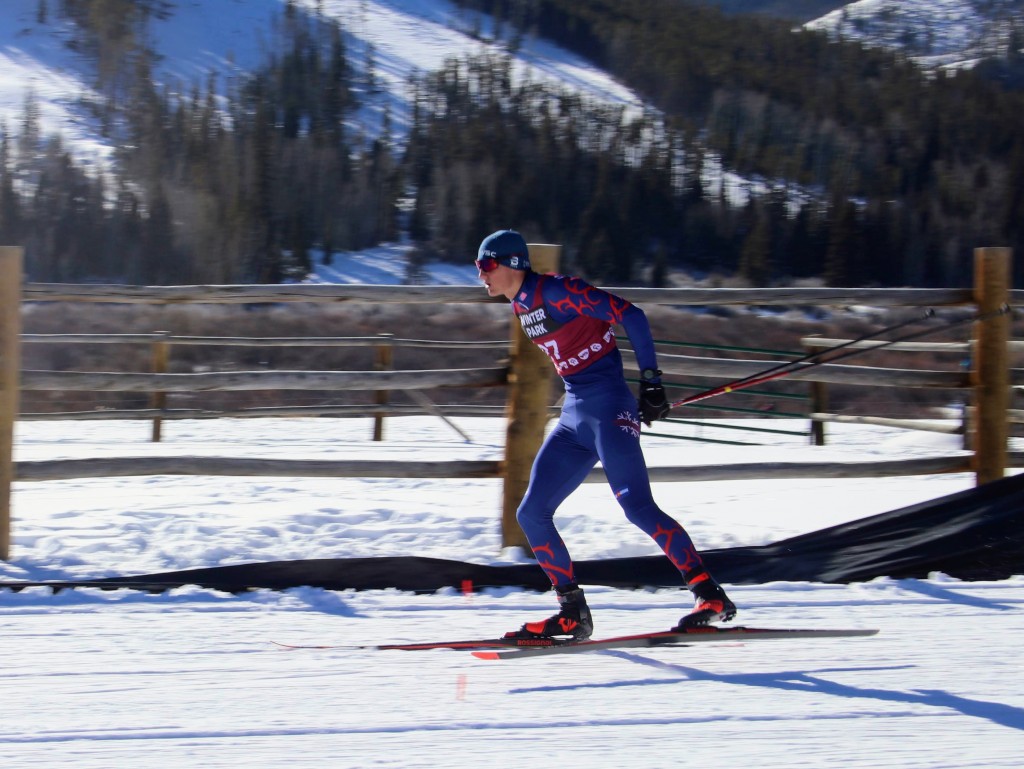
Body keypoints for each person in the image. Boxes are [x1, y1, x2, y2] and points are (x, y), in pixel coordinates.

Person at [476, 229, 736, 641]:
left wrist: (651, 384)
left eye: (486, 265)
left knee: (637, 507)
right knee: (530, 514)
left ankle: (709, 595)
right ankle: (572, 613)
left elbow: (630, 315)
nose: (481, 275)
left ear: (511, 264)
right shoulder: (521, 306)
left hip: (609, 410)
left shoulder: (558, 292)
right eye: (478, 267)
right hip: (575, 416)